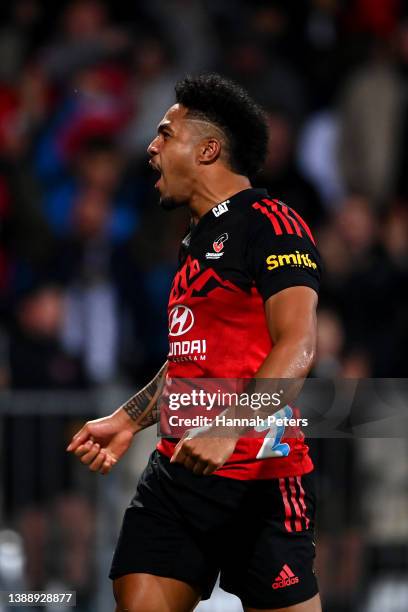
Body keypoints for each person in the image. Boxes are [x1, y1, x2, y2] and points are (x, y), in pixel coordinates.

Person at [67, 73, 322, 612]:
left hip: (260, 481)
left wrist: (229, 427)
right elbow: (190, 358)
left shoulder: (273, 223)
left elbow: (298, 344)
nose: (150, 146)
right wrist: (129, 419)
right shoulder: (194, 239)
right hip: (177, 476)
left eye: (165, 133)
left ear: (207, 149)